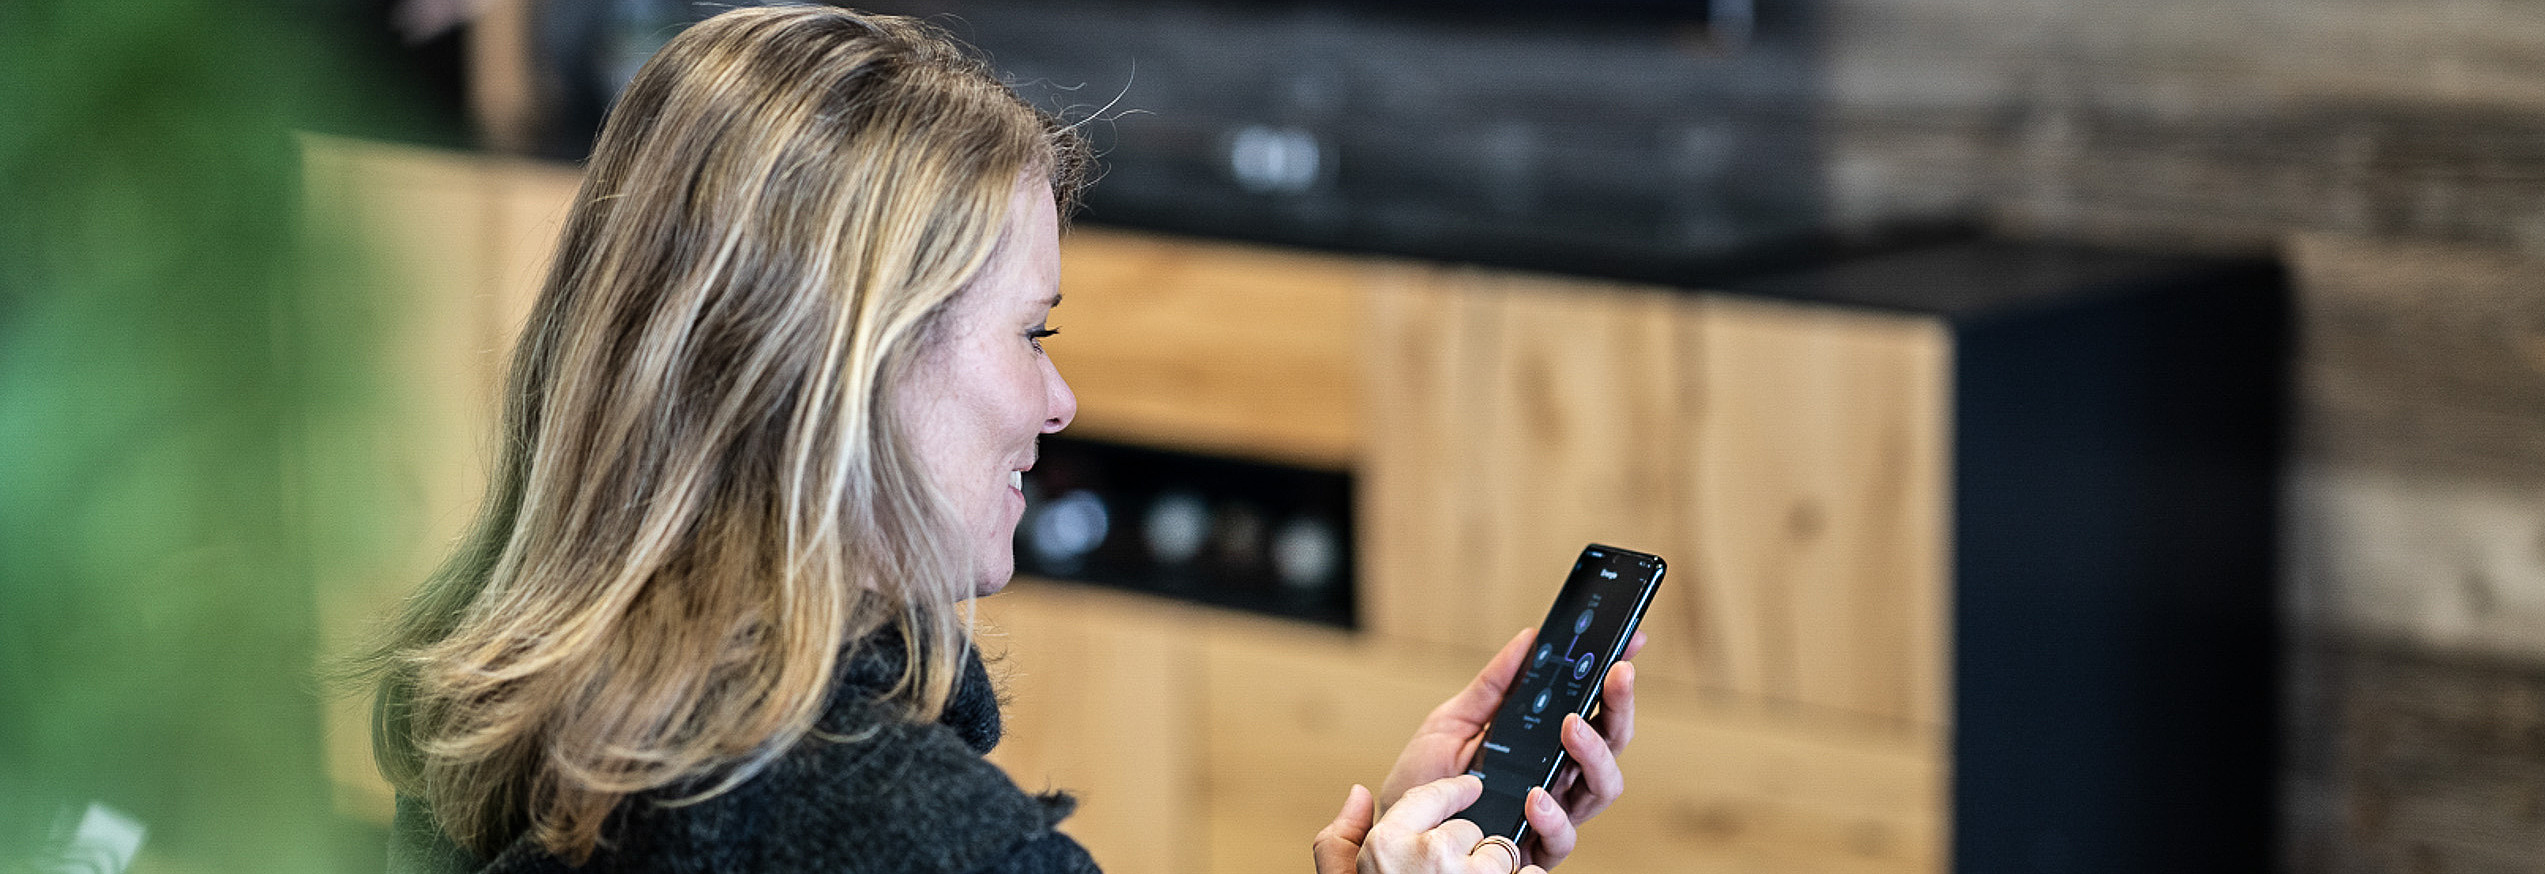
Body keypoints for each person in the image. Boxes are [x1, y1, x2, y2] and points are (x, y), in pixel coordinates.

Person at [361, 7, 1640, 873]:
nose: (1058, 404)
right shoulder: (924, 841)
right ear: (851, 366)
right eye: (1033, 333)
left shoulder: (493, 731)